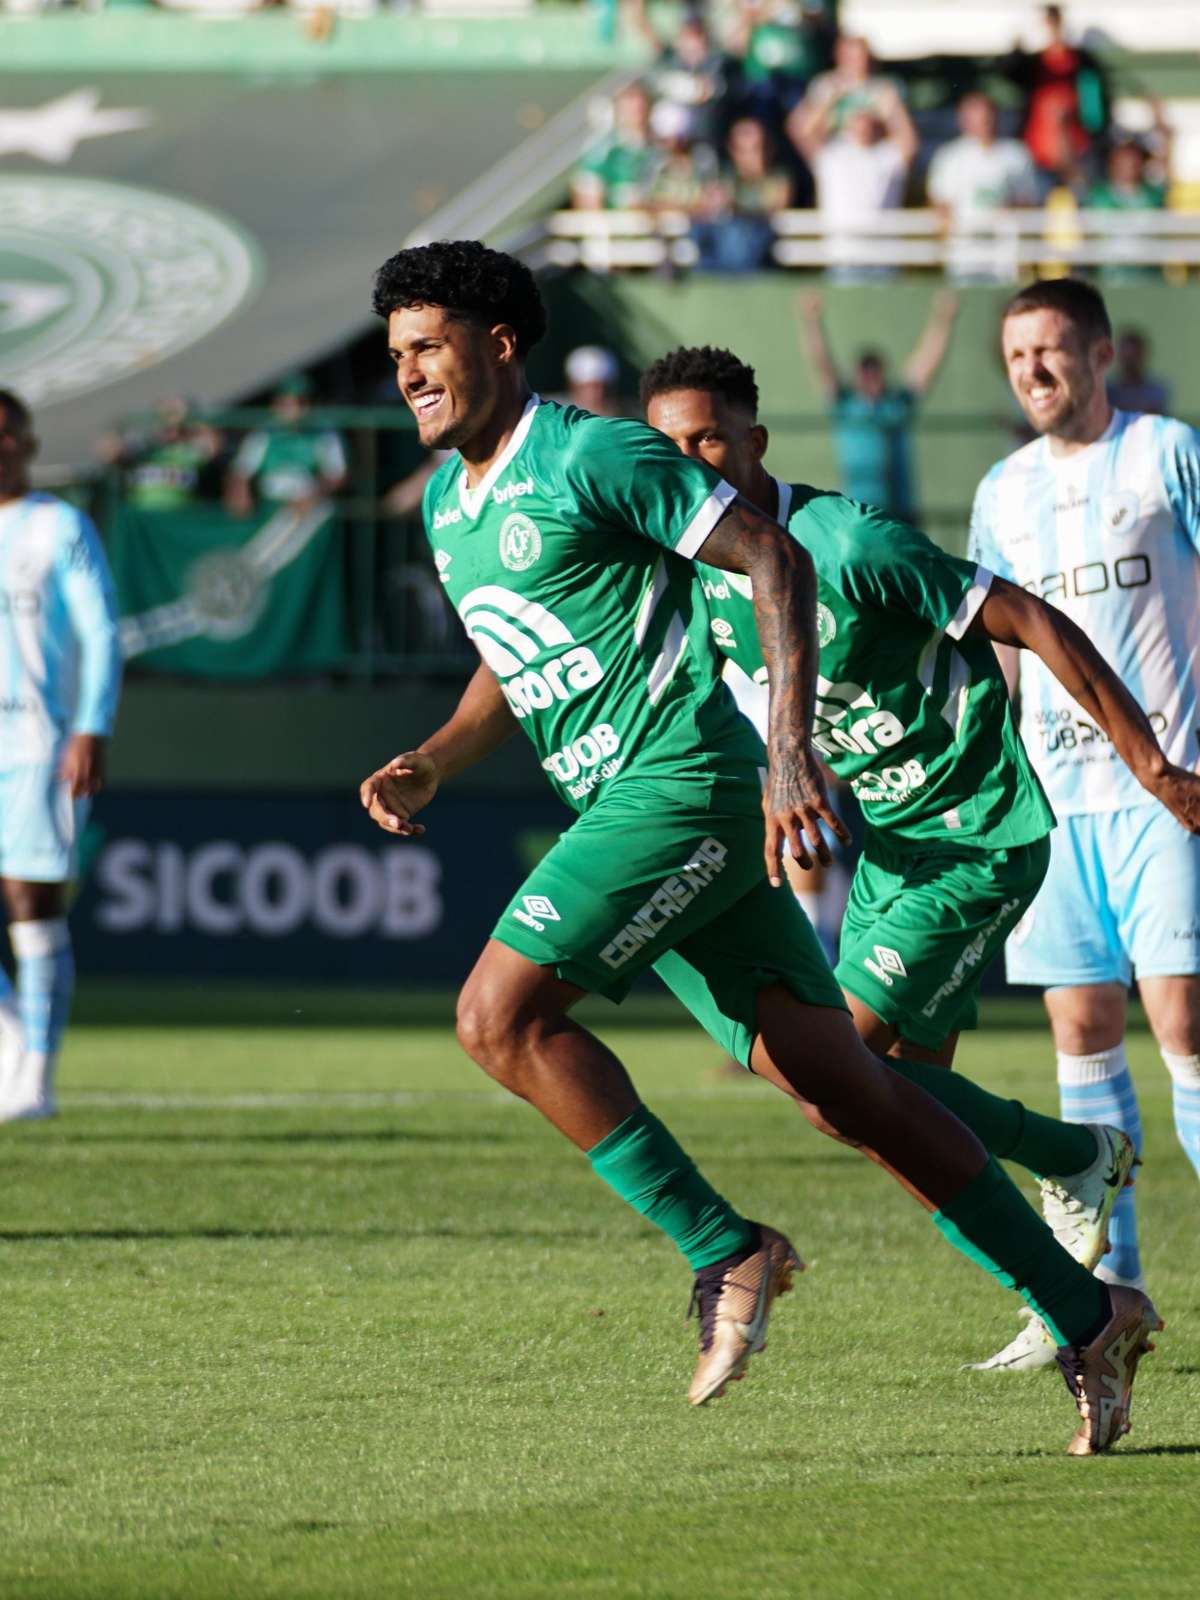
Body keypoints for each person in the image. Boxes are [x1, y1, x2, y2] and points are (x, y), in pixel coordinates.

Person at [360, 238, 1162, 1455]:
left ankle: (724, 1248)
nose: (411, 373)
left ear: (501, 343)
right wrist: (435, 755)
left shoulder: (595, 451)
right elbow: (510, 660)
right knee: (849, 1091)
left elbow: (775, 555)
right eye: (398, 356)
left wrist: (786, 753)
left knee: (498, 1017)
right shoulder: (454, 510)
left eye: (430, 347)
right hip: (632, 811)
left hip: (676, 787)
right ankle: (1086, 1311)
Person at [969, 276, 1200, 1367]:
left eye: (1053, 352)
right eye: (1018, 358)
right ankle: (1111, 1292)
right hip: (1058, 801)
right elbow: (1003, 648)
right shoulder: (1000, 491)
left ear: (1101, 354)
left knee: (1184, 1021)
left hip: (1169, 787)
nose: (1035, 373)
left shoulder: (1166, 454)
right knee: (1080, 1030)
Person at [0, 391, 122, 1121]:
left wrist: (90, 727)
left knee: (29, 905)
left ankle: (35, 1080)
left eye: (7, 434)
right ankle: (13, 1043)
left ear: (28, 441)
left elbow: (102, 632)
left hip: (36, 745)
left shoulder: (58, 526)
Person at [798, 289, 959, 522]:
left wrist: (943, 320)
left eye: (875, 370)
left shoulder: (896, 403)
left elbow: (925, 366)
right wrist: (812, 322)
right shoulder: (846, 404)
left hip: (901, 515)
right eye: (865, 370)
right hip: (858, 515)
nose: (870, 376)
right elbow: (822, 364)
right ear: (856, 375)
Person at [790, 104, 916, 281]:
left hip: (883, 257)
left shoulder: (887, 155)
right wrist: (830, 95)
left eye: (868, 120)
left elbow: (909, 142)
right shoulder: (832, 155)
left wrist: (890, 103)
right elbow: (800, 130)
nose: (862, 126)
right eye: (857, 120)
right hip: (843, 257)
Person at [926, 93, 1040, 282]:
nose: (984, 123)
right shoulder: (949, 156)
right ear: (963, 120)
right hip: (964, 257)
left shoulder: (1016, 154)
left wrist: (1007, 213)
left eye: (988, 117)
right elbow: (940, 204)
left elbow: (1027, 202)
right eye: (977, 117)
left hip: (1004, 259)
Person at [225, 374, 347, 516]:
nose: (294, 409)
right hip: (270, 503)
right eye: (286, 403)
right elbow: (240, 472)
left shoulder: (324, 434)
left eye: (301, 402)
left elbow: (336, 475)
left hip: (310, 504)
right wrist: (240, 496)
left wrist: (314, 495)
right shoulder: (263, 433)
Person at [96, 395, 222, 512]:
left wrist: (187, 418)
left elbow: (212, 446)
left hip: (178, 517)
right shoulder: (142, 449)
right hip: (143, 520)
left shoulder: (186, 452)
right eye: (165, 424)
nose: (170, 430)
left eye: (176, 426)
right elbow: (108, 453)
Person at [570, 82, 658, 212]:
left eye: (641, 100)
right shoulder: (604, 148)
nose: (637, 106)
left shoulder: (659, 148)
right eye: (629, 99)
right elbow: (589, 199)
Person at [1106, 328, 1170, 416]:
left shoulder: (1156, 391)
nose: (1130, 364)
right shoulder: (1108, 392)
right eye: (1127, 358)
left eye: (1132, 358)